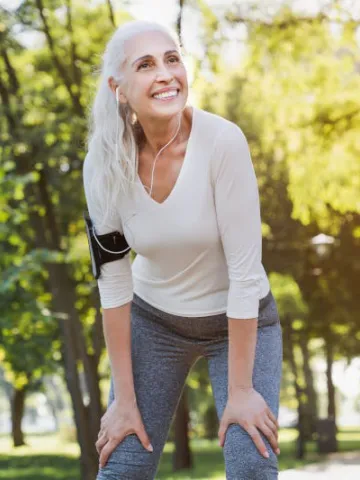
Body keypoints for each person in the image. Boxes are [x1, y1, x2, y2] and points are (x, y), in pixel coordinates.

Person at [83, 19, 283, 480]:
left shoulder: (222, 142)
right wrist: (124, 402)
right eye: (146, 64)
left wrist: (240, 391)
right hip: (155, 324)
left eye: (172, 59)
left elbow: (245, 273)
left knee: (250, 461)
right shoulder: (103, 164)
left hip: (240, 321)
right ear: (119, 87)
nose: (166, 73)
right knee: (122, 466)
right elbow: (113, 284)